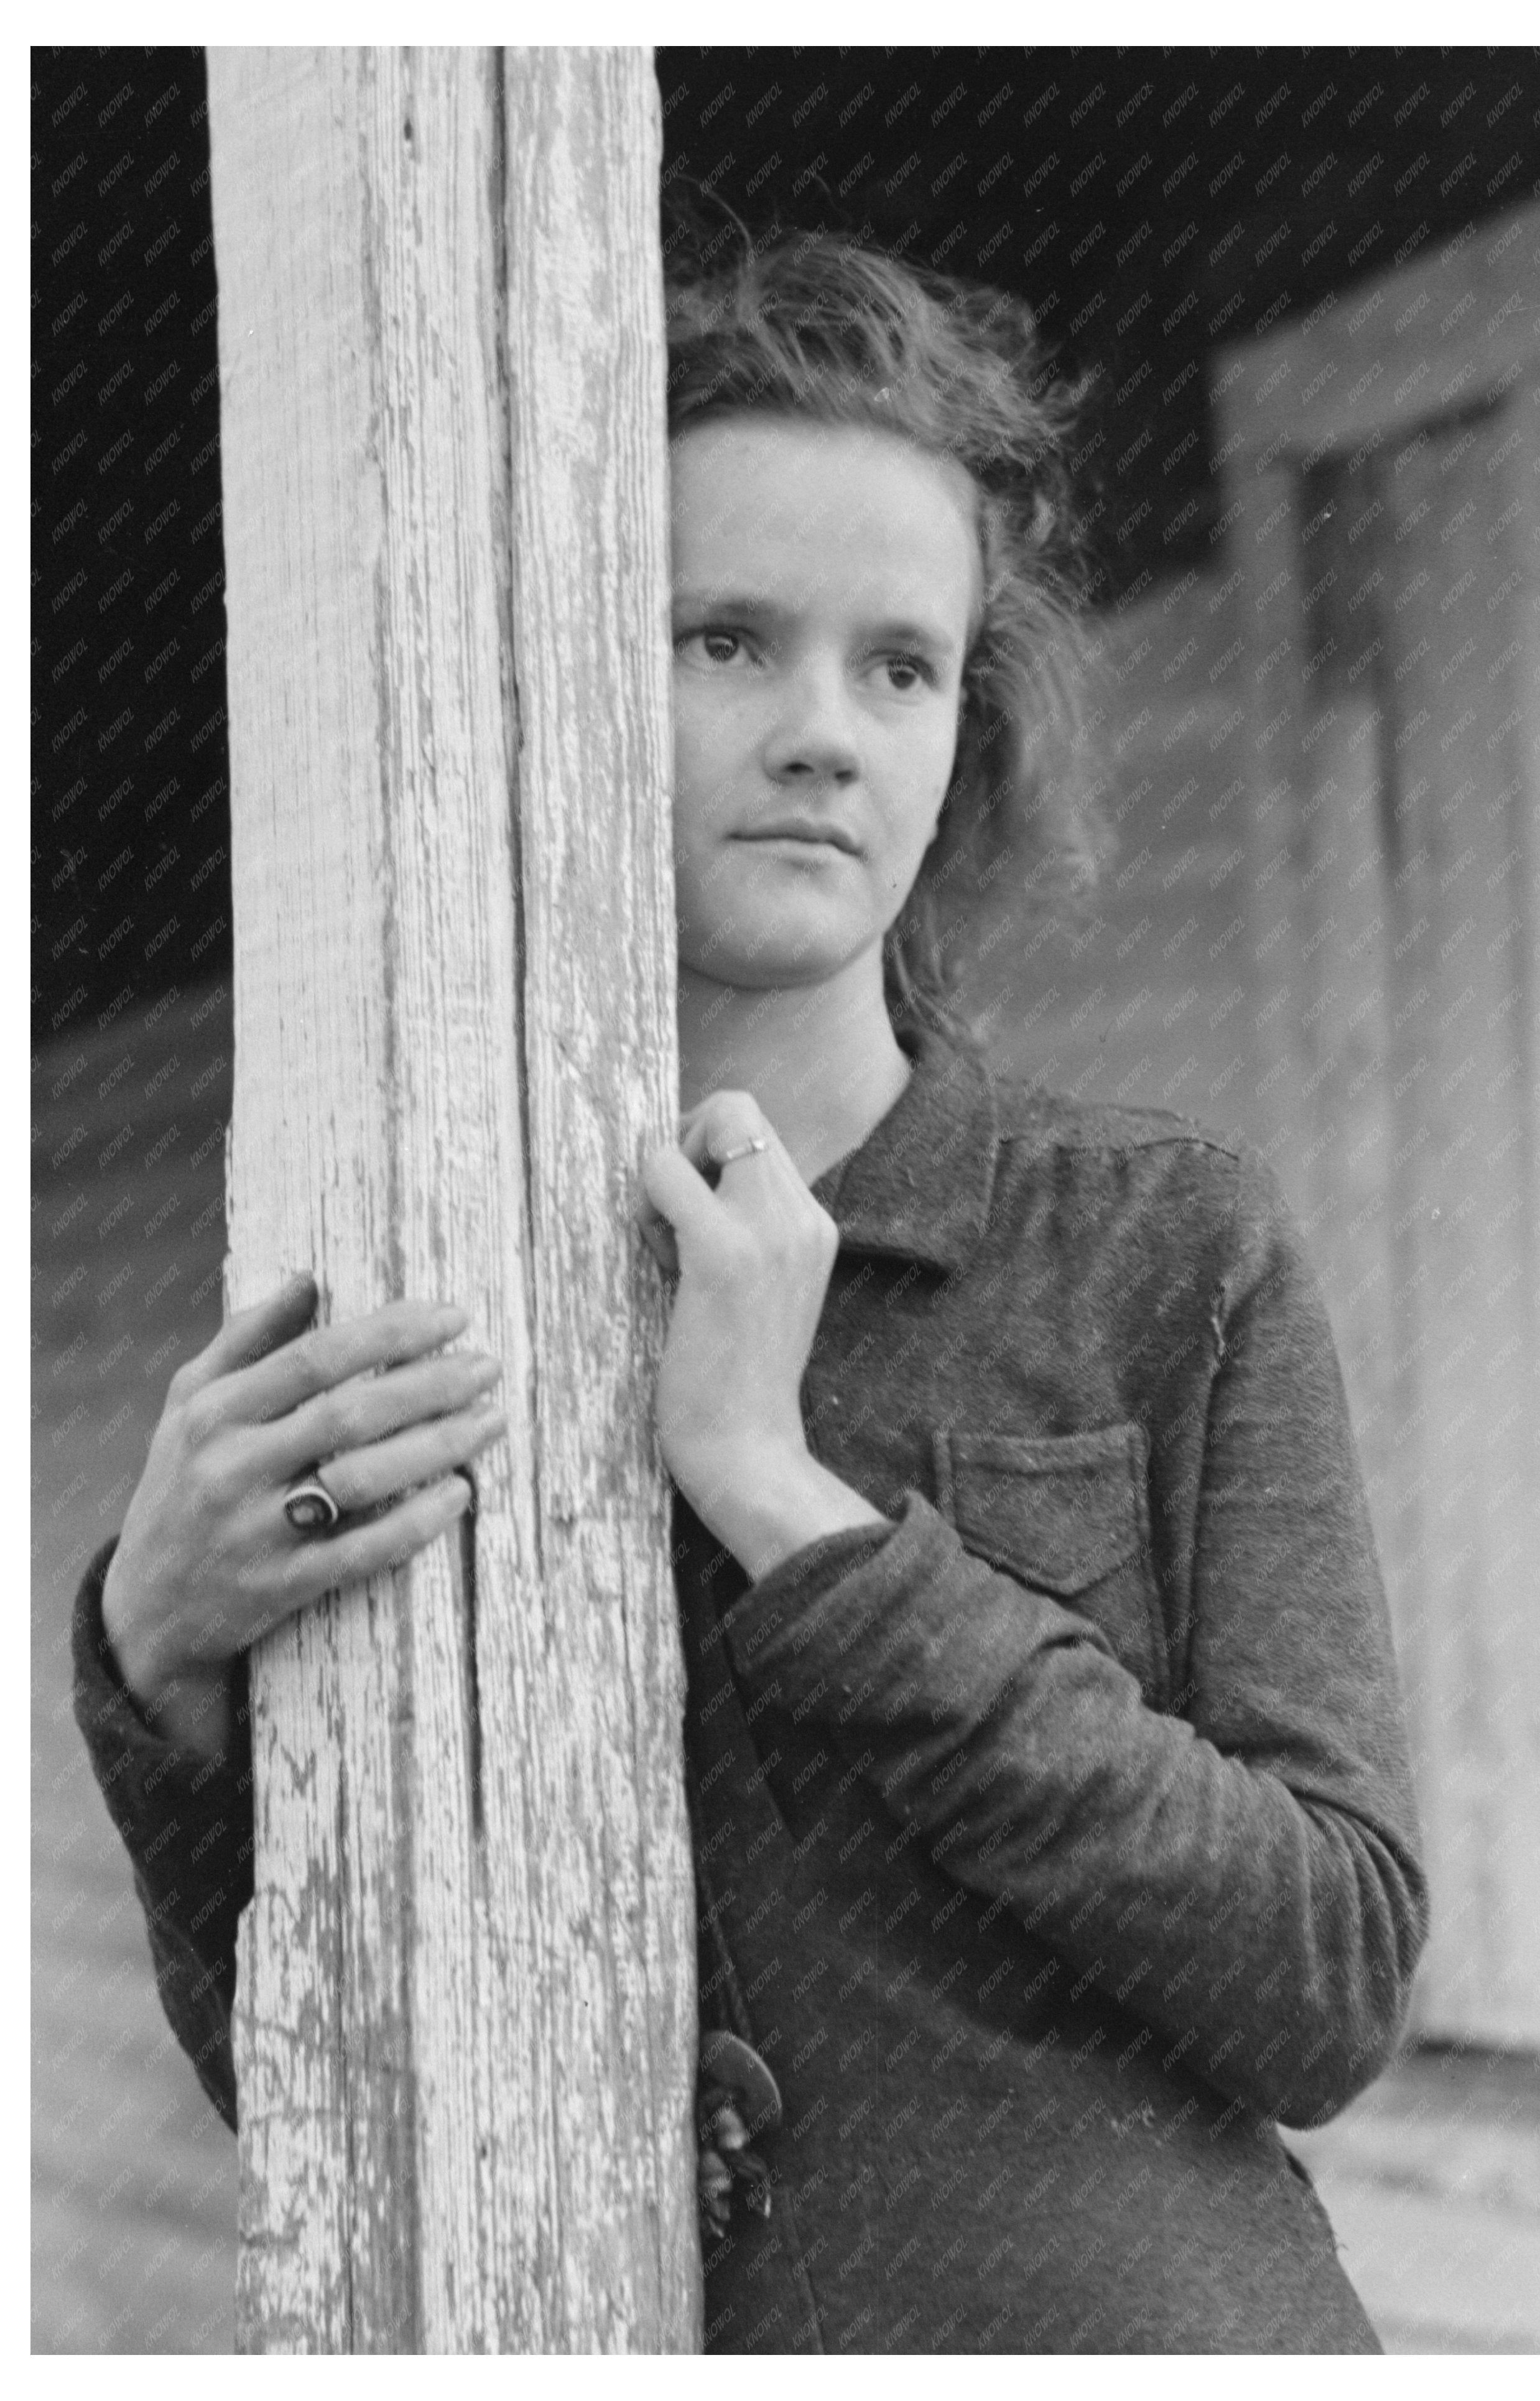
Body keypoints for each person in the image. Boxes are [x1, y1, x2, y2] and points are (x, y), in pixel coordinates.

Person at [73, 208, 1427, 2355]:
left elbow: (1327, 1977)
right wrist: (154, 1663)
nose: (824, 732)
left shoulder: (1163, 1238)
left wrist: (793, 1504)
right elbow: (327, 2108)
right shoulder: (434, 1302)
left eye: (901, 664)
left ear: (969, 724)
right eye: (725, 640)